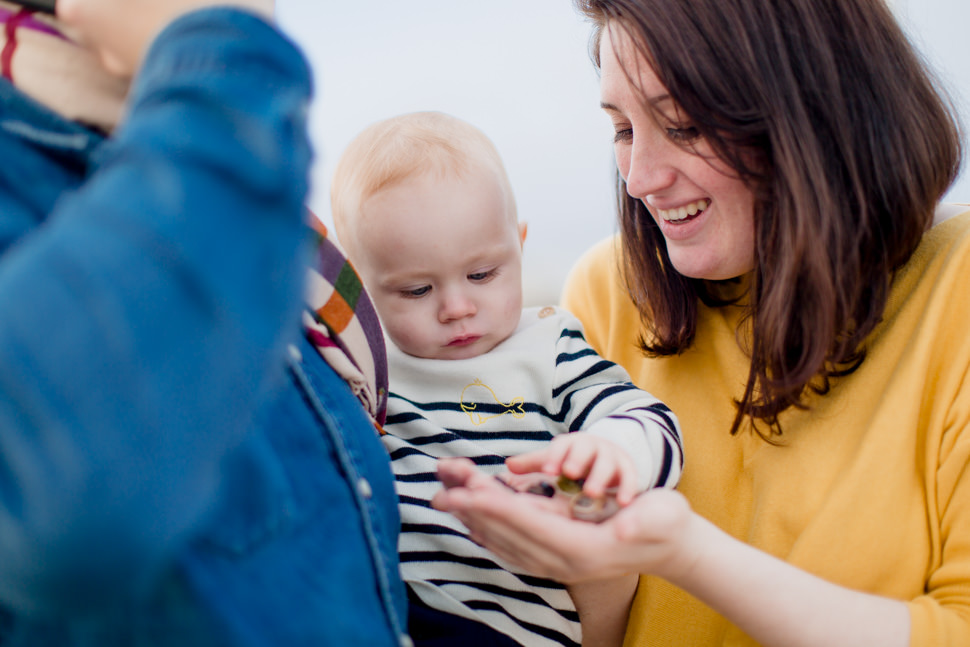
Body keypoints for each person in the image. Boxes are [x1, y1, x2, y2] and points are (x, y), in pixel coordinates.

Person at [431, 0, 970, 645]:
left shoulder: (957, 287)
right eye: (624, 130)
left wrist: (684, 553)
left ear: (818, 110)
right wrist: (588, 572)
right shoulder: (608, 292)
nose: (639, 181)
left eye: (683, 125)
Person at [0, 1, 408, 645]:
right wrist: (215, 54)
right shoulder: (217, 134)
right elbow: (68, 497)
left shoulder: (241, 196)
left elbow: (342, 569)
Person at [330, 110, 683, 647]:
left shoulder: (548, 347)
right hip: (393, 607)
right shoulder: (363, 365)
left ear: (518, 244)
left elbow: (647, 417)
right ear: (361, 285)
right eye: (415, 291)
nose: (456, 307)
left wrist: (613, 453)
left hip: (514, 629)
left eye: (481, 274)